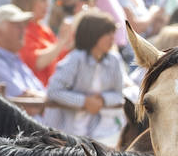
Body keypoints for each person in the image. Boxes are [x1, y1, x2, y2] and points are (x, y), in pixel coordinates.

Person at [43, 11, 129, 144]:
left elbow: (119, 94)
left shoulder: (114, 60)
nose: (112, 38)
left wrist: (102, 100)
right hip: (66, 132)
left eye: (113, 33)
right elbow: (53, 91)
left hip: (101, 130)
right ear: (93, 35)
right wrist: (84, 101)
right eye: (107, 33)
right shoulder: (75, 59)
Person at [13, 0, 70, 85]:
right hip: (34, 91)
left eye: (47, 0)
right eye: (43, 0)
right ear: (28, 2)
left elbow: (60, 58)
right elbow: (37, 62)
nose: (47, 5)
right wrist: (62, 41)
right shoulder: (20, 30)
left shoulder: (44, 29)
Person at [0, 4, 43, 97]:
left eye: (23, 25)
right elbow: (23, 98)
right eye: (17, 26)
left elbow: (41, 93)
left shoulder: (15, 60)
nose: (23, 30)